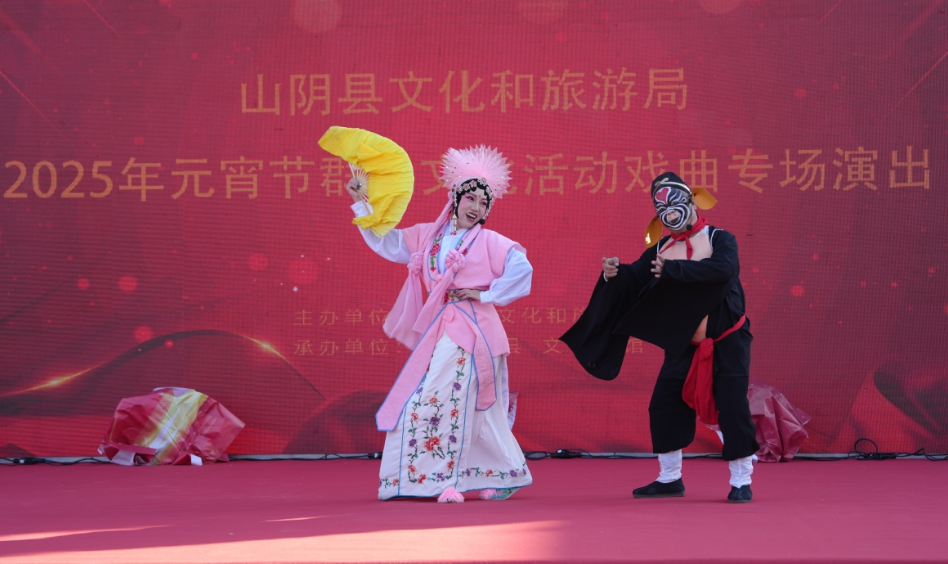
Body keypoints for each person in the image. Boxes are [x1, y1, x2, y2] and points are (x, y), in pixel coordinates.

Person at [348, 145, 533, 502]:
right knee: (472, 410)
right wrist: (361, 203)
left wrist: (485, 294)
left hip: (475, 333)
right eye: (471, 198)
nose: (476, 207)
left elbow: (521, 269)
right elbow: (387, 241)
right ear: (456, 198)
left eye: (484, 203)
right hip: (445, 329)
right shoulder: (428, 236)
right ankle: (506, 473)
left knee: (436, 402)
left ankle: (437, 480)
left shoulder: (490, 241)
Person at [560, 172, 759, 503]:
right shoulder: (662, 248)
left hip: (728, 341)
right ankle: (670, 478)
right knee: (664, 406)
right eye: (662, 207)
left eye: (675, 202)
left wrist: (674, 270)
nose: (671, 211)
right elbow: (636, 276)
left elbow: (724, 269)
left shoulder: (720, 238)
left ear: (692, 201)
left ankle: (741, 480)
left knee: (732, 406)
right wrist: (614, 272)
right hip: (683, 345)